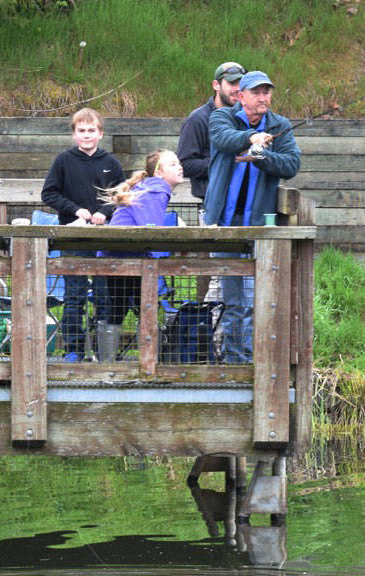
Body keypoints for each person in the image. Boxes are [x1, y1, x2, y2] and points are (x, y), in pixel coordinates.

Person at [204, 70, 301, 364]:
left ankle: (251, 358)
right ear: (241, 96)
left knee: (254, 298)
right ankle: (234, 359)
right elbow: (224, 140)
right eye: (256, 93)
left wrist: (264, 158)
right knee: (234, 298)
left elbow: (292, 163)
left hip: (258, 225)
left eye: (267, 92)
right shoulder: (222, 117)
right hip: (225, 222)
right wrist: (251, 137)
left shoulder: (279, 124)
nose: (263, 98)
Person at [40, 108, 125, 363]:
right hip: (74, 238)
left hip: (103, 240)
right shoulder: (63, 161)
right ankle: (73, 350)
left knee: (103, 297)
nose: (86, 135)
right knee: (74, 297)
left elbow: (121, 197)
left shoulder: (111, 163)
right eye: (81, 131)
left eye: (91, 131)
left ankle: (103, 354)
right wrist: (75, 209)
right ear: (74, 134)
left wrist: (103, 212)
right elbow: (49, 193)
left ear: (100, 134)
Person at [95, 149, 184, 361]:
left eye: (178, 162)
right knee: (144, 306)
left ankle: (107, 361)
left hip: (117, 256)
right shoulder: (157, 189)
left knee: (123, 306)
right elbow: (150, 228)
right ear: (159, 173)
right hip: (127, 257)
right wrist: (160, 254)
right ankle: (149, 361)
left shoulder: (150, 188)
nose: (179, 166)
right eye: (172, 164)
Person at [178, 61, 245, 202]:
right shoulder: (198, 119)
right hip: (213, 203)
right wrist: (227, 162)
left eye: (242, 84)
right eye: (232, 83)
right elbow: (185, 164)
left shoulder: (247, 117)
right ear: (216, 85)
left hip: (246, 203)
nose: (238, 89)